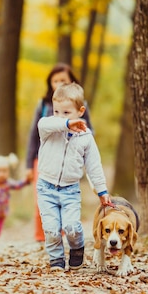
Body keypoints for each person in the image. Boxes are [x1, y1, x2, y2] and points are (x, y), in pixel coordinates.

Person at [36, 82, 112, 271]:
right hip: (46, 188)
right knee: (52, 228)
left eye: (66, 112)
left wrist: (102, 190)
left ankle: (77, 248)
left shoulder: (85, 138)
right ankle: (56, 260)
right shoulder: (48, 128)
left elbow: (93, 166)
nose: (60, 116)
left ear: (81, 111)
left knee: (71, 227)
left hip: (70, 190)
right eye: (56, 111)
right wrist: (66, 122)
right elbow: (44, 122)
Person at [25, 63, 93, 242]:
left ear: (71, 81)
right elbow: (34, 134)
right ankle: (43, 237)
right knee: (41, 199)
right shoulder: (45, 104)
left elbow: (89, 133)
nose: (59, 84)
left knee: (66, 200)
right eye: (55, 81)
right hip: (43, 159)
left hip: (69, 160)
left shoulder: (80, 105)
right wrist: (28, 164)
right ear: (50, 83)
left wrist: (86, 157)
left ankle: (63, 234)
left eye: (63, 80)